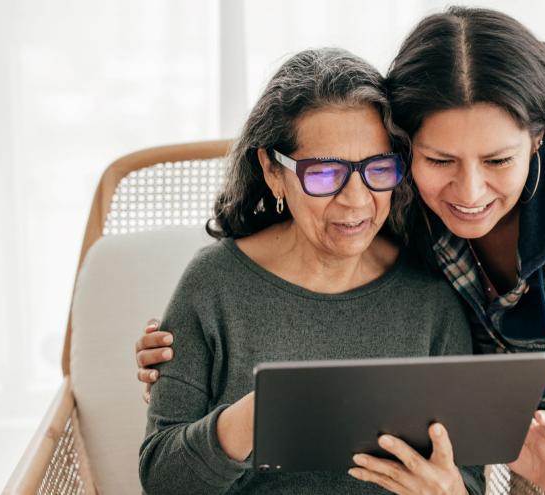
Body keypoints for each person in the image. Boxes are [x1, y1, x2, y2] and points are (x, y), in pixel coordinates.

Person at [137, 7, 545, 494]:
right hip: (523, 424)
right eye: (440, 160)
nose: (468, 194)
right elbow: (166, 470)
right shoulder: (391, 205)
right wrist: (221, 394)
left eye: (497, 161)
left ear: (537, 139)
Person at [138, 48, 485, 494]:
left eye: (378, 168)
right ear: (272, 171)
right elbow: (161, 479)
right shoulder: (214, 283)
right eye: (324, 174)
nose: (356, 201)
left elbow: (472, 480)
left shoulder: (430, 295)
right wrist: (253, 418)